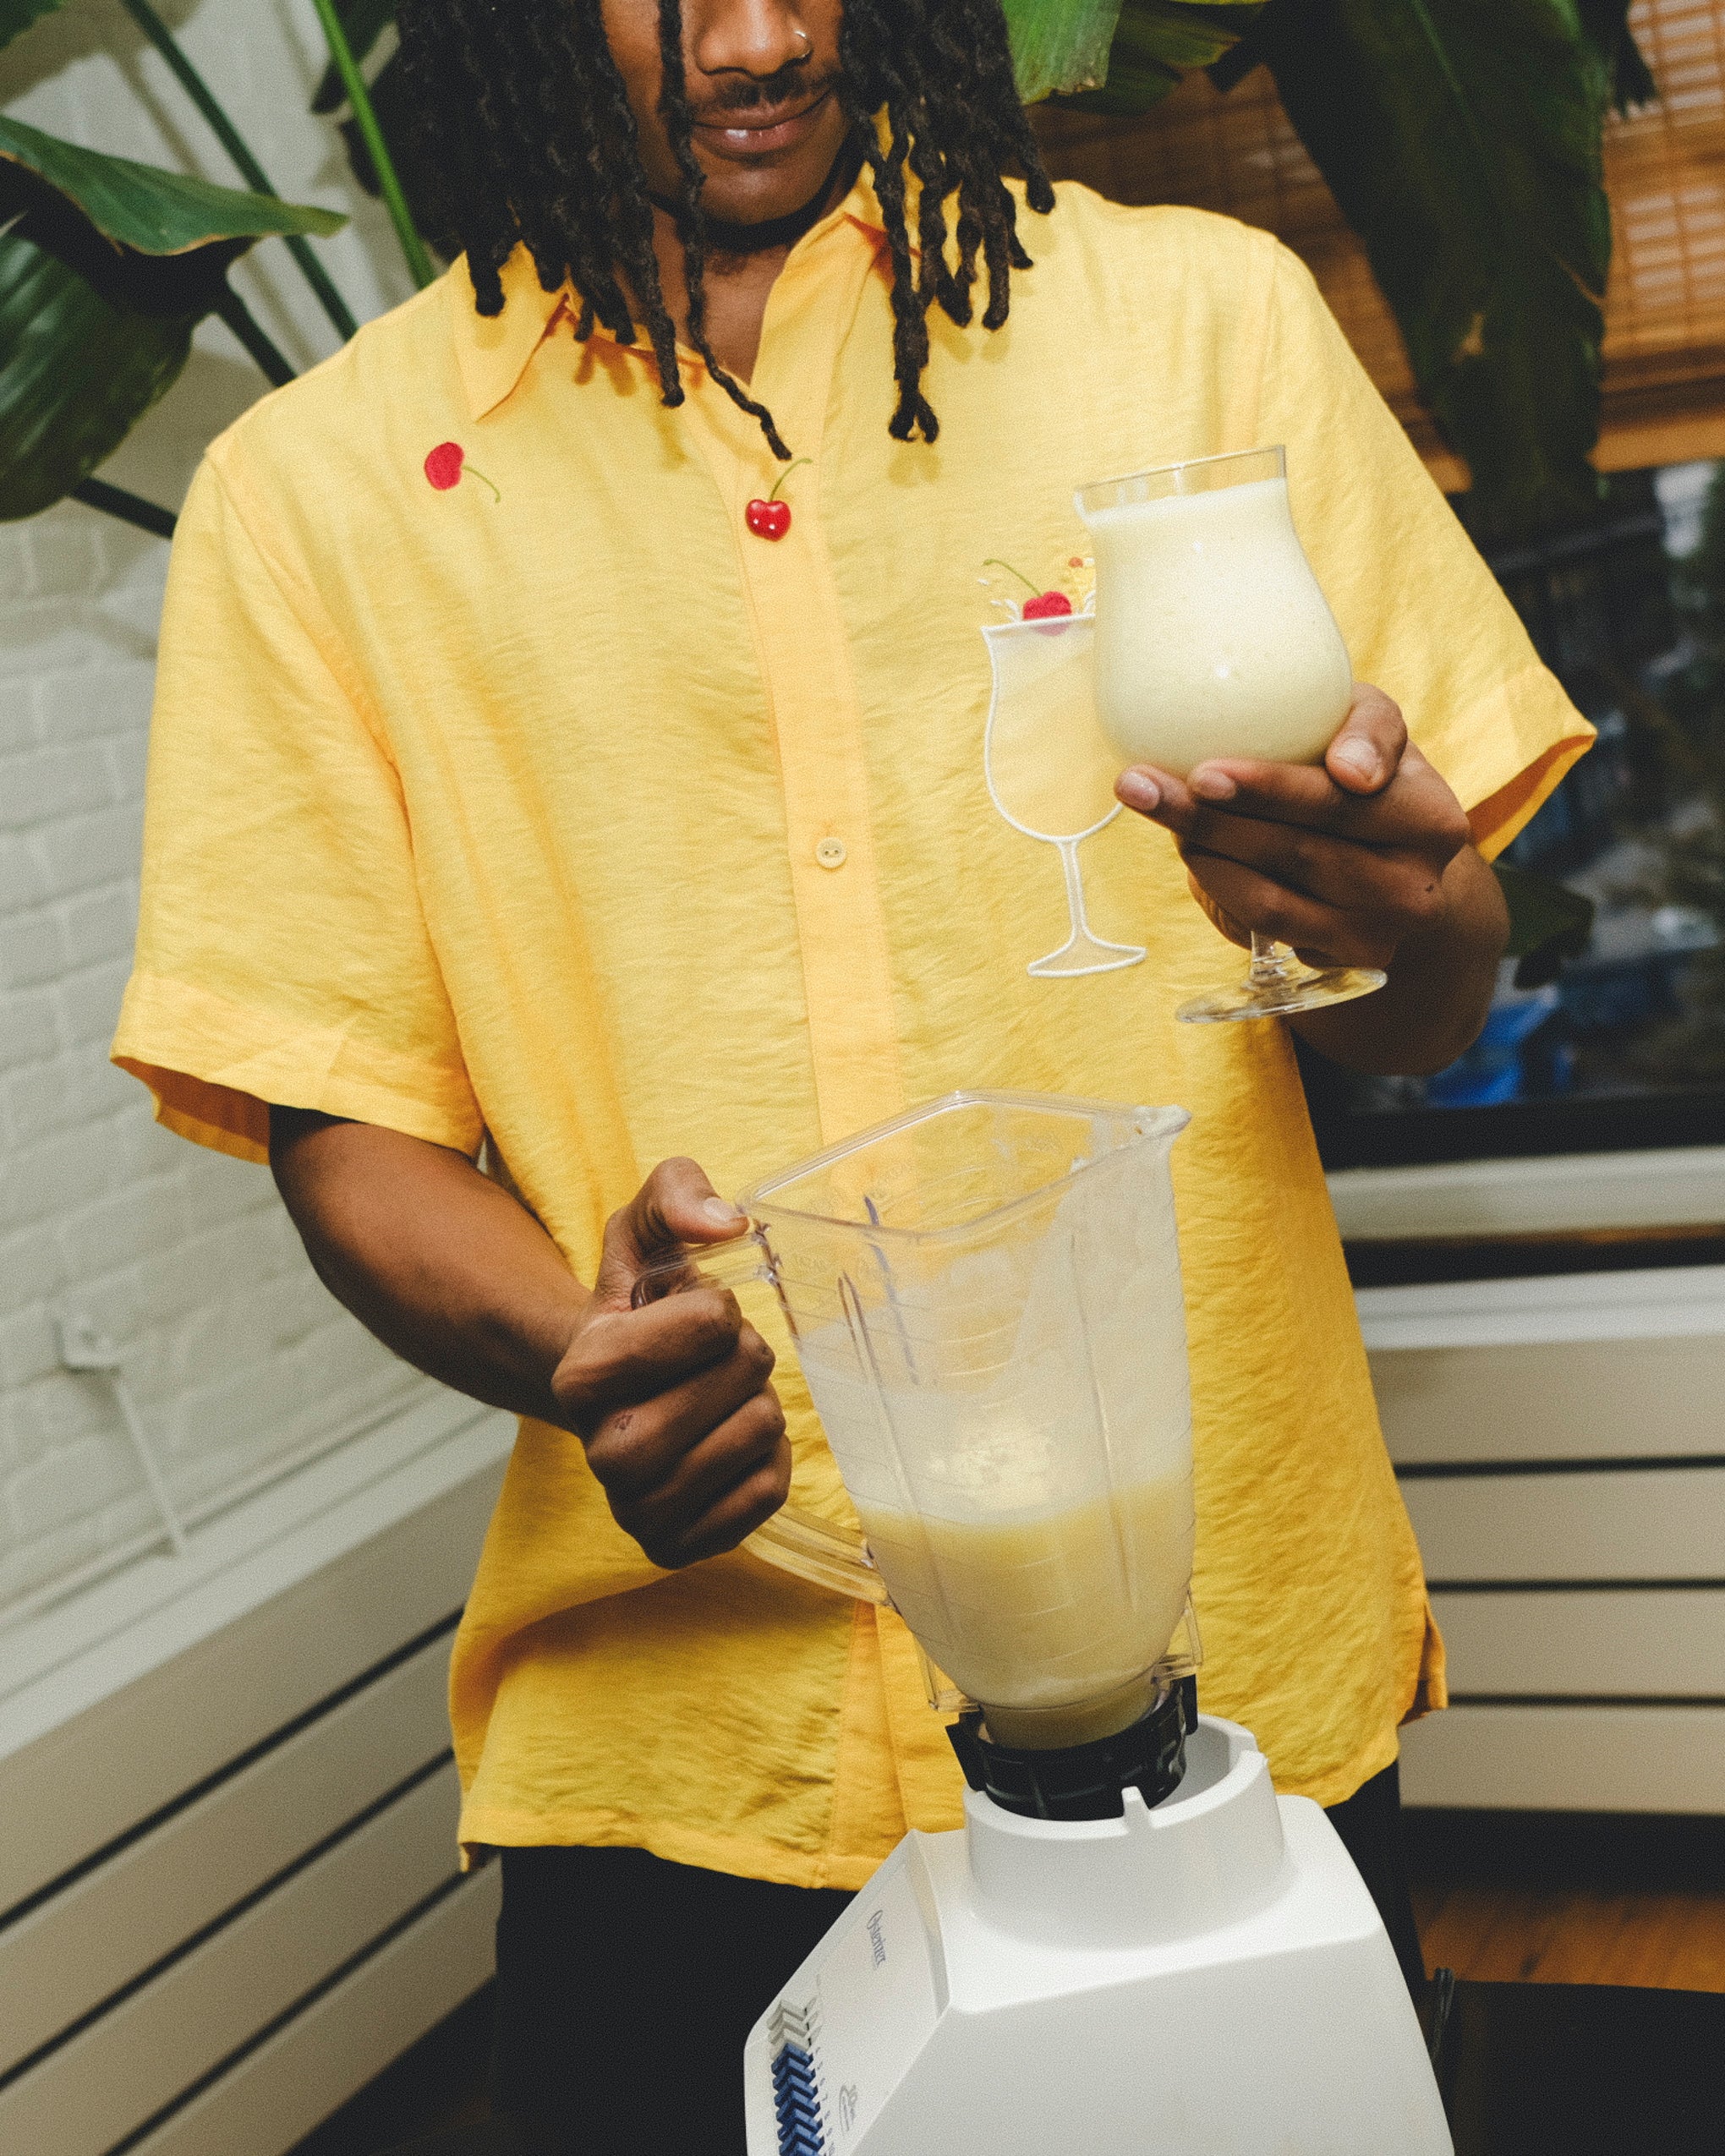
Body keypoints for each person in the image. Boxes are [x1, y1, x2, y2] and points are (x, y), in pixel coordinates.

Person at [113, 0, 1592, 2145]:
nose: (764, 31)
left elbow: (1445, 978)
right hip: (687, 1744)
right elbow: (345, 1128)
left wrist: (1397, 906)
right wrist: (583, 1346)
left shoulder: (1195, 325)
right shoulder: (317, 499)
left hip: (1223, 1682)